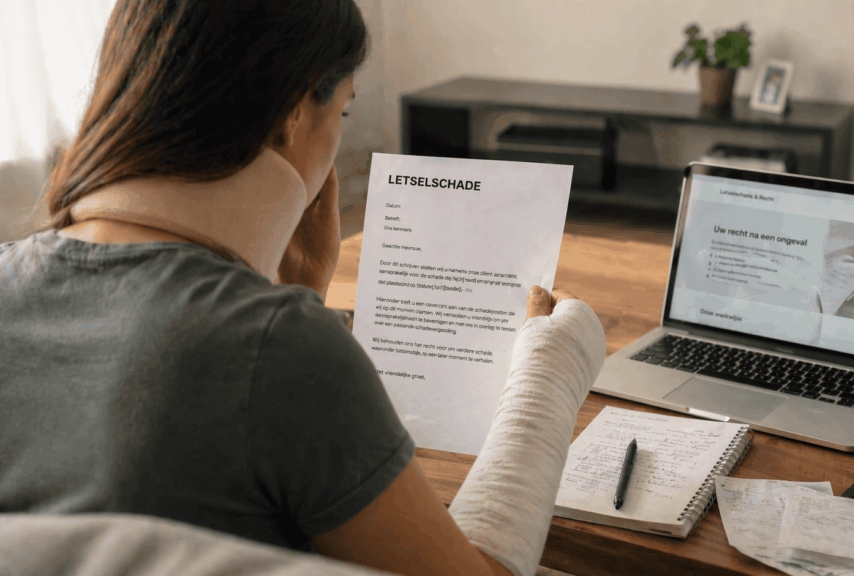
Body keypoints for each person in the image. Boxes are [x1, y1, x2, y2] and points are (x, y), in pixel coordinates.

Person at [0, 2, 606, 576]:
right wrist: (550, 372)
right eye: (342, 112)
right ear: (294, 112)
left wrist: (296, 294)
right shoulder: (277, 348)